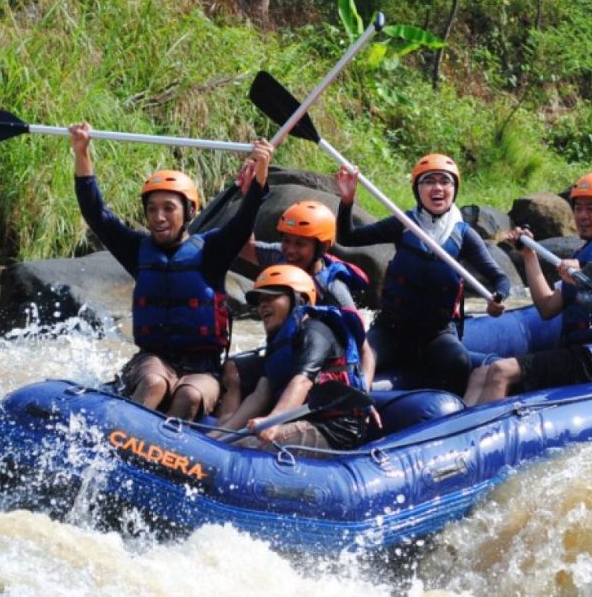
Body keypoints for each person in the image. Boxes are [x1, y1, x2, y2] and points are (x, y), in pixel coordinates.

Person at [70, 122, 272, 420]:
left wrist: (260, 174)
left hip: (203, 368)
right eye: (152, 209)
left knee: (189, 396)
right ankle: (119, 442)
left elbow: (243, 223)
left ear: (189, 212)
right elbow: (96, 214)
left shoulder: (212, 250)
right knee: (153, 383)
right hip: (153, 361)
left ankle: (164, 459)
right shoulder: (137, 249)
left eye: (168, 208)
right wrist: (81, 151)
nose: (159, 217)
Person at [335, 154, 509, 395]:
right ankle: (356, 407)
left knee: (458, 362)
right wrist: (347, 201)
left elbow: (500, 277)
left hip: (436, 333)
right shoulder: (404, 223)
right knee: (360, 358)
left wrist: (498, 297)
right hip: (391, 329)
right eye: (429, 181)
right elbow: (348, 238)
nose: (437, 187)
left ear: (454, 189)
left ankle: (449, 417)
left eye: (444, 181)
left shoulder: (464, 235)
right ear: (418, 189)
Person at [464, 172, 592, 404]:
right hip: (577, 353)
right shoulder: (585, 255)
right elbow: (547, 306)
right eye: (578, 208)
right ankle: (451, 436)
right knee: (481, 373)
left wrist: (583, 282)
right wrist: (529, 255)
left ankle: (480, 436)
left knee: (501, 371)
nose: (582, 216)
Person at [218, 200, 372, 419]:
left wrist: (362, 392)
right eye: (286, 241)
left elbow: (364, 348)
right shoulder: (278, 258)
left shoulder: (333, 289)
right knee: (233, 368)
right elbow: (244, 246)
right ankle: (223, 424)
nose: (290, 251)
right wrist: (250, 197)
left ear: (322, 247)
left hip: (316, 363)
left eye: (300, 244)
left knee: (273, 383)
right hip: (285, 351)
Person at [216, 264, 368, 453]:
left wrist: (273, 421)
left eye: (271, 297)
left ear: (300, 300)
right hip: (301, 420)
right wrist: (219, 435)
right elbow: (260, 395)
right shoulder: (278, 342)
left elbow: (302, 382)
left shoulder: (315, 331)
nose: (263, 305)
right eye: (260, 300)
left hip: (334, 429)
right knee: (225, 442)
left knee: (243, 446)